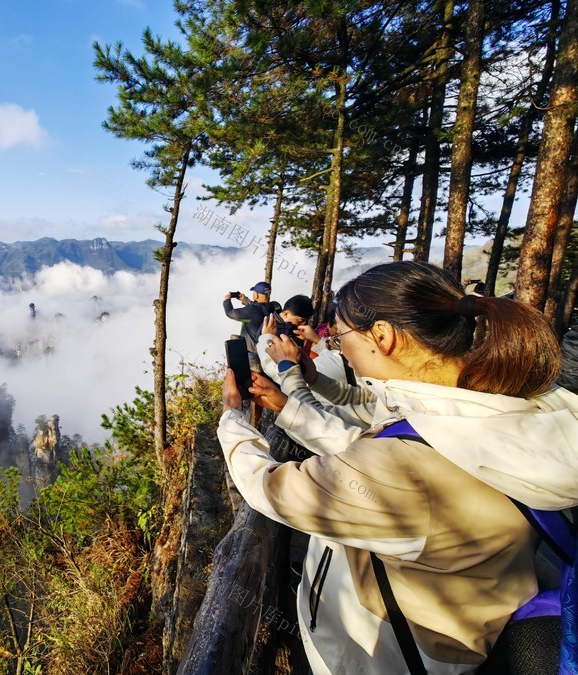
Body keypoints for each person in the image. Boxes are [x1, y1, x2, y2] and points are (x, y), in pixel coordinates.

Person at [216, 260, 578, 674]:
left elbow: (271, 488)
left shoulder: (409, 465)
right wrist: (289, 406)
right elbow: (385, 442)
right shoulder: (513, 402)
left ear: (383, 336)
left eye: (341, 338)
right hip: (463, 639)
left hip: (377, 657)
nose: (338, 346)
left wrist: (232, 418)